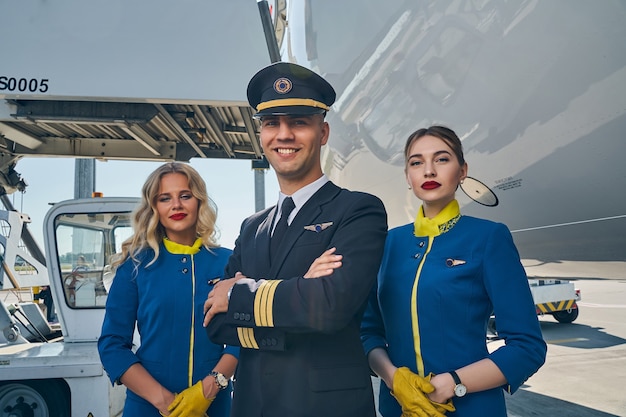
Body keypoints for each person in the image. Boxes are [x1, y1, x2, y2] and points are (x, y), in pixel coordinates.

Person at [202, 62, 388, 417]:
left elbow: (330, 308)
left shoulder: (359, 210)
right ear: (261, 135)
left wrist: (240, 295)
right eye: (272, 123)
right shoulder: (251, 227)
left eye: (299, 122)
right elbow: (215, 322)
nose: (283, 135)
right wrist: (301, 290)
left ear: (323, 132)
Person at [360, 125, 547, 416]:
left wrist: (454, 384)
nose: (429, 171)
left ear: (462, 171)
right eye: (417, 162)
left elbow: (528, 347)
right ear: (408, 178)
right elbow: (368, 332)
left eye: (442, 159)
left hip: (471, 408)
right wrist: (393, 378)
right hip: (399, 409)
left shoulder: (488, 238)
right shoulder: (388, 244)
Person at [98, 162, 238, 417]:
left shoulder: (229, 262)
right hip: (148, 408)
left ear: (199, 202)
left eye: (185, 196)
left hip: (214, 407)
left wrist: (210, 388)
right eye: (165, 198)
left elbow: (245, 335)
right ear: (154, 208)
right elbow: (112, 345)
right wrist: (165, 402)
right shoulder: (135, 267)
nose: (176, 205)